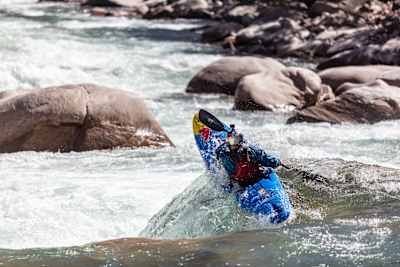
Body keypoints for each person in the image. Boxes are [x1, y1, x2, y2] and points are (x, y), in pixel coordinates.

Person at [215, 126, 291, 223]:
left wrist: (276, 162)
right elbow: (267, 160)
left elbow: (267, 160)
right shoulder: (246, 151)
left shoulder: (226, 152)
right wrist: (277, 162)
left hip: (252, 181)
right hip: (245, 184)